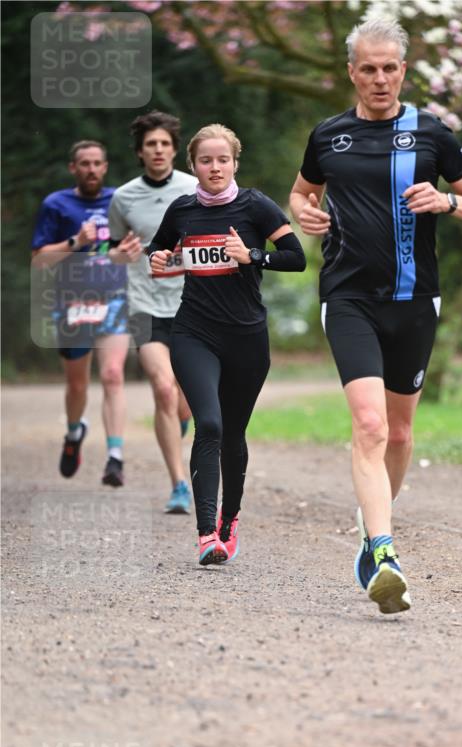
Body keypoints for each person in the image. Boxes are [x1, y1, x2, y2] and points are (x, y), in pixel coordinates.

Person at [289, 17, 462, 615]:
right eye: (368, 68)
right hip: (348, 298)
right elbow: (301, 193)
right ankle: (384, 552)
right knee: (371, 427)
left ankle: (369, 527)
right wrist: (304, 213)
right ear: (351, 72)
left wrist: (448, 200)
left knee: (401, 434)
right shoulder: (328, 135)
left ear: (403, 71)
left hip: (415, 300)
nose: (379, 78)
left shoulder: (432, 134)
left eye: (390, 68)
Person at [147, 124, 306, 566]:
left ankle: (229, 521)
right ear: (192, 165)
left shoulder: (255, 205)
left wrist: (254, 256)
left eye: (222, 160)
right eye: (205, 160)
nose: (214, 168)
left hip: (247, 337)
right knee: (210, 425)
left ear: (235, 162)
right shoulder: (181, 211)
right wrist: (159, 258)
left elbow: (297, 257)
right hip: (194, 331)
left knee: (233, 433)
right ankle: (204, 535)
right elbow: (159, 253)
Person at [108, 110, 196, 514]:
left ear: (175, 150)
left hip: (193, 303)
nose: (158, 150)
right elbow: (111, 252)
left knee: (186, 398)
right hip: (144, 305)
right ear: (140, 153)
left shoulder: (196, 188)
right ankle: (179, 484)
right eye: (150, 145)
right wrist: (118, 255)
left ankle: (178, 425)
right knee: (163, 387)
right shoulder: (123, 197)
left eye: (164, 143)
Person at [31, 140, 129, 486]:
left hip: (114, 298)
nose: (91, 169)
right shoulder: (56, 205)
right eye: (84, 164)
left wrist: (128, 252)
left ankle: (115, 457)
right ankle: (74, 434)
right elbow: (40, 260)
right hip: (72, 302)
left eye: (97, 163)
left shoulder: (121, 200)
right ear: (73, 168)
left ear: (105, 167)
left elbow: (132, 248)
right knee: (77, 385)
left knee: (114, 375)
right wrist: (76, 242)